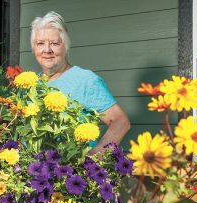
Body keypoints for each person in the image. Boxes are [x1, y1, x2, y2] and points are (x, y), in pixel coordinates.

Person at [30, 11, 130, 156]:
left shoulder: (85, 80)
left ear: (65, 46)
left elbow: (121, 122)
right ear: (34, 48)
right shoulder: (32, 84)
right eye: (40, 43)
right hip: (34, 173)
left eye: (54, 43)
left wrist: (94, 159)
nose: (47, 50)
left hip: (69, 174)